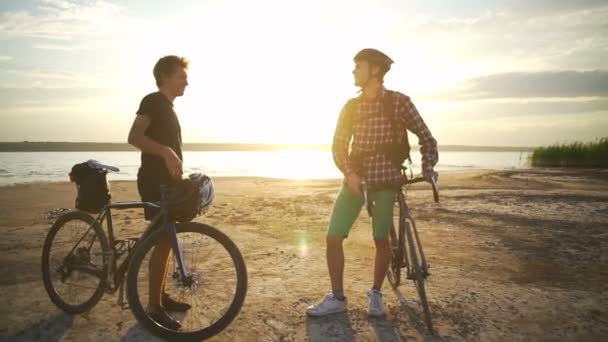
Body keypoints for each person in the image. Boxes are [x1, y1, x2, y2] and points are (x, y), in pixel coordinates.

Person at [306, 48, 438, 317]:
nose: (353, 71)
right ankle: (337, 297)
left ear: (375, 70)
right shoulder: (351, 107)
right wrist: (350, 173)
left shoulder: (399, 102)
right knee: (333, 236)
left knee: (381, 240)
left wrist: (428, 168)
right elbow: (338, 147)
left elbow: (426, 137)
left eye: (358, 66)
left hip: (388, 182)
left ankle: (376, 293)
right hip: (357, 182)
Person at [127, 55, 191, 330]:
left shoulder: (168, 106)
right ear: (164, 76)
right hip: (154, 181)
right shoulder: (153, 100)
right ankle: (153, 306)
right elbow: (134, 137)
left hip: (167, 182)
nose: (186, 81)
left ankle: (160, 296)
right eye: (181, 76)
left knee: (166, 241)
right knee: (162, 239)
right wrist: (166, 153)